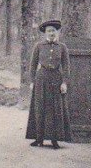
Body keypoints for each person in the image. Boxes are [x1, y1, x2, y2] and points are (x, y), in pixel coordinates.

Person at [25, 20, 72, 149]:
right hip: (41, 79)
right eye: (49, 31)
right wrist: (32, 81)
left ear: (57, 32)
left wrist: (64, 83)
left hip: (56, 79)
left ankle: (54, 139)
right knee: (40, 108)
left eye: (54, 31)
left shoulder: (62, 47)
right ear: (45, 33)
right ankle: (38, 138)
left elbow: (66, 66)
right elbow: (33, 65)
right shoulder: (39, 46)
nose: (51, 33)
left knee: (55, 109)